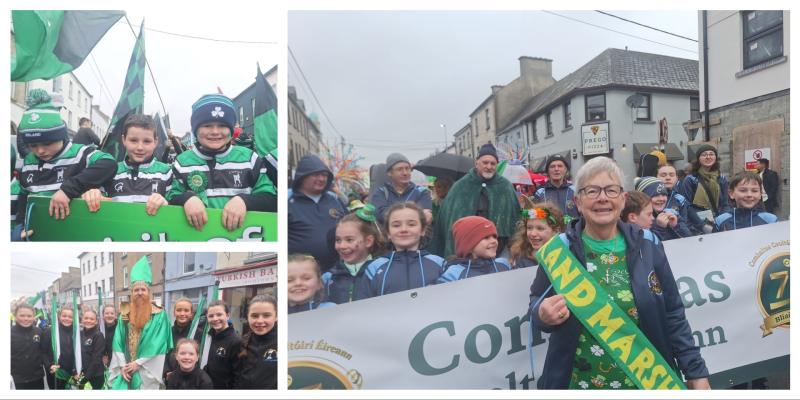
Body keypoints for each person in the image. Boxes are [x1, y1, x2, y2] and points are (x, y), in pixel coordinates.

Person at [529, 156, 710, 390]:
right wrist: (542, 314)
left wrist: (696, 372)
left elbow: (673, 313)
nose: (602, 198)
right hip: (578, 384)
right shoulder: (558, 250)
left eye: (611, 190)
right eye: (592, 191)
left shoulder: (648, 244)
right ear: (578, 201)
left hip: (646, 382)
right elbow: (536, 303)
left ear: (623, 200)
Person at [12, 89, 116, 240]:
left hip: (75, 232)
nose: (40, 150)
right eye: (33, 145)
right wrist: (18, 230)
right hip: (38, 235)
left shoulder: (80, 153)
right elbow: (24, 197)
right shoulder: (29, 160)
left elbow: (109, 164)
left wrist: (68, 189)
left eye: (47, 143)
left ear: (61, 136)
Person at [168, 94, 278, 232]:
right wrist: (187, 199)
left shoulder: (250, 158)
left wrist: (244, 201)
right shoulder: (182, 162)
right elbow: (170, 197)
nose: (215, 132)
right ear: (196, 129)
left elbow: (271, 199)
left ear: (231, 129)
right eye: (207, 125)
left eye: (222, 126)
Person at [432, 143, 521, 257]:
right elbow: (447, 217)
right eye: (485, 162)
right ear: (476, 163)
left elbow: (517, 215)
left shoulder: (505, 186)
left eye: (492, 163)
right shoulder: (461, 186)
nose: (489, 166)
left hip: (499, 248)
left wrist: (535, 212)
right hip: (469, 250)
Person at [81, 114, 172, 216]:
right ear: (124, 140)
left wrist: (166, 204)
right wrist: (93, 195)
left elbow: (175, 208)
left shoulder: (166, 172)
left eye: (147, 141)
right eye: (133, 140)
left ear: (155, 142)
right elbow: (100, 202)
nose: (140, 147)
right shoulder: (111, 172)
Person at [355, 202, 445, 299]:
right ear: (388, 233)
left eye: (411, 224)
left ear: (422, 230)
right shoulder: (373, 268)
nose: (404, 229)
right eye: (396, 225)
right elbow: (363, 309)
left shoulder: (440, 265)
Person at [108, 256, 173, 389]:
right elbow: (118, 341)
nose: (139, 293)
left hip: (146, 369)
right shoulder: (125, 314)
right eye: (136, 290)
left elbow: (158, 344)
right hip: (125, 367)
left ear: (148, 292)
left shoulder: (159, 315)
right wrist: (122, 365)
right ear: (131, 293)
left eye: (143, 290)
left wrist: (138, 363)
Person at [288, 154, 346, 269]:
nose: (321, 179)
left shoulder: (334, 199)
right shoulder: (287, 201)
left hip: (337, 271)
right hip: (302, 273)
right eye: (316, 175)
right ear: (302, 177)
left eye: (324, 175)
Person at [323, 205, 384, 304]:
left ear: (368, 241)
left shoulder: (383, 271)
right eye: (338, 240)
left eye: (349, 240)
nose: (342, 246)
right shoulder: (328, 278)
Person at [437, 216, 512, 282]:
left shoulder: (504, 265)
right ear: (468, 245)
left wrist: (523, 210)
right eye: (486, 237)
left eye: (494, 236)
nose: (493, 241)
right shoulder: (454, 274)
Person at [369, 152, 433, 225]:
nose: (405, 173)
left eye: (407, 168)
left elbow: (425, 218)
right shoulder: (381, 193)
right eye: (400, 169)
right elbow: (380, 215)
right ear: (389, 173)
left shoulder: (422, 192)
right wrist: (414, 213)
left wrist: (390, 212)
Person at [678, 144, 729, 231]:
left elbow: (725, 203)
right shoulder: (691, 179)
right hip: (698, 224)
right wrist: (701, 223)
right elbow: (687, 205)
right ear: (698, 159)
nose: (708, 157)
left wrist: (723, 219)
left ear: (716, 157)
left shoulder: (721, 178)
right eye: (704, 154)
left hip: (718, 221)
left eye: (711, 154)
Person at [234, 295, 278, 389]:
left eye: (266, 315)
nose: (260, 321)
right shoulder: (243, 342)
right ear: (248, 317)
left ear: (276, 316)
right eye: (254, 316)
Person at [509, 203, 565, 268]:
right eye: (529, 228)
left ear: (556, 231)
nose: (533, 234)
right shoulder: (520, 258)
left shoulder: (566, 257)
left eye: (540, 228)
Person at [202, 300, 241, 389]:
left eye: (219, 314)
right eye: (211, 316)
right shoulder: (208, 337)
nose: (215, 319)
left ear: (227, 316)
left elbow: (238, 376)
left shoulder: (235, 341)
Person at [11, 303, 50, 389]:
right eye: (22, 315)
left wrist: (49, 365)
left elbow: (43, 352)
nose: (26, 318)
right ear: (15, 316)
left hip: (36, 378)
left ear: (34, 317)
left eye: (29, 316)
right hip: (16, 380)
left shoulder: (39, 332)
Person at [656, 164, 703, 235]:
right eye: (663, 175)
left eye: (671, 175)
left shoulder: (680, 199)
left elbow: (686, 224)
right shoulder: (648, 198)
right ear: (655, 177)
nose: (668, 178)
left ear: (677, 178)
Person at [164, 298, 202, 383]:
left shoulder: (198, 333)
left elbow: (199, 357)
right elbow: (164, 354)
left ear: (191, 314)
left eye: (186, 310)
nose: (182, 314)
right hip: (171, 378)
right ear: (174, 312)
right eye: (179, 310)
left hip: (191, 379)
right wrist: (166, 371)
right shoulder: (168, 332)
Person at [533, 154, 579, 222]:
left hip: (572, 232)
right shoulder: (540, 193)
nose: (556, 169)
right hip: (549, 232)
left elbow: (584, 214)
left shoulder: (575, 191)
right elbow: (533, 215)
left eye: (560, 166)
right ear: (548, 171)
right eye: (552, 166)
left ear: (565, 169)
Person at [43, 307, 75, 390]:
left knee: (82, 389)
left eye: (70, 317)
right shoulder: (50, 331)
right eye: (64, 316)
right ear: (59, 316)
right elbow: (42, 352)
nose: (67, 318)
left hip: (75, 372)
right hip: (56, 372)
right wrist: (49, 365)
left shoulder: (78, 332)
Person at [79, 309, 106, 390]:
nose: (88, 321)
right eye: (86, 318)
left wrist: (86, 377)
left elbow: (96, 359)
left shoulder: (98, 335)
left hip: (95, 376)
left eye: (91, 319)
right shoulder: (79, 334)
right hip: (81, 374)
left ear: (96, 321)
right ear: (82, 320)